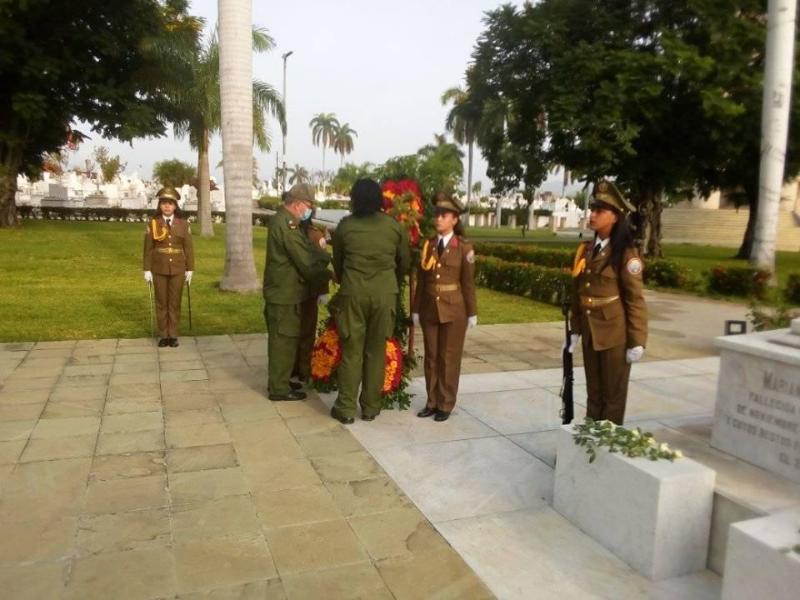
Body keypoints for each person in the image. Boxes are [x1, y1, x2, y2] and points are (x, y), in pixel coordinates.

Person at [330, 178, 410, 424]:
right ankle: (370, 408)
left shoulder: (345, 226)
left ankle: (345, 408)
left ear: (354, 198)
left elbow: (338, 262)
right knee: (376, 351)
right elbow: (405, 263)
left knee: (352, 350)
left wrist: (350, 281)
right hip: (384, 294)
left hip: (354, 293)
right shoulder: (393, 227)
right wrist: (389, 282)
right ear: (379, 199)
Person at [567, 179, 648, 425]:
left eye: (599, 211)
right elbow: (580, 292)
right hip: (592, 331)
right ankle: (590, 439)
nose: (593, 215)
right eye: (593, 209)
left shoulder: (625, 254)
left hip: (614, 334)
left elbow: (635, 299)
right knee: (594, 390)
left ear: (614, 217)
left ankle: (608, 444)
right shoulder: (588, 249)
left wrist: (637, 340)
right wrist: (576, 328)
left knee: (613, 395)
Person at [412, 194, 478, 422]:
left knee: (448, 357)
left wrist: (472, 312)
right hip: (430, 307)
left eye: (444, 215)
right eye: (437, 214)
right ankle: (431, 401)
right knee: (431, 357)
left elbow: (468, 283)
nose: (438, 219)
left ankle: (446, 403)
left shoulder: (463, 247)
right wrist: (416, 309)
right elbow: (422, 280)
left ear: (455, 220)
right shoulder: (428, 245)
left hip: (454, 309)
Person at [263, 184, 331, 401]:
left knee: (286, 339)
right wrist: (330, 272)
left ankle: (280, 380)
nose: (309, 210)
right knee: (283, 340)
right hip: (285, 293)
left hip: (286, 291)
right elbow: (305, 261)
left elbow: (309, 250)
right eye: (308, 205)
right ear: (298, 203)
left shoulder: (287, 222)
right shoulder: (287, 224)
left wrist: (326, 259)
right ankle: (279, 389)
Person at [143, 187, 194, 348]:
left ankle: (173, 335)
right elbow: (148, 248)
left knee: (174, 302)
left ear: (175, 206)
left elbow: (189, 248)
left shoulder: (184, 224)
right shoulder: (153, 224)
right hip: (159, 268)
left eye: (170, 203)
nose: (167, 206)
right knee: (161, 302)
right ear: (159, 205)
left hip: (178, 268)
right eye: (164, 203)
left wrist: (190, 269)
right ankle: (163, 335)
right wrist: (147, 269)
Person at [292, 210, 331, 385]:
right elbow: (323, 265)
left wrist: (322, 290)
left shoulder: (312, 235)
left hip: (300, 289)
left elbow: (321, 265)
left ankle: (298, 368)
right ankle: (302, 369)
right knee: (305, 331)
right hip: (305, 290)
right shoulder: (315, 235)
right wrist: (322, 290)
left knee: (300, 330)